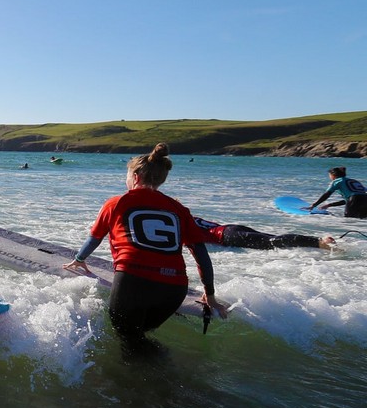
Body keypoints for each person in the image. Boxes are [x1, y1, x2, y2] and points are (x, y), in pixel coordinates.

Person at [63, 143, 225, 349]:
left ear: (136, 177)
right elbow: (200, 253)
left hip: (133, 281)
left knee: (129, 341)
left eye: (127, 175)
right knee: (136, 338)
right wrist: (209, 295)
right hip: (174, 289)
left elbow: (94, 239)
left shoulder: (116, 203)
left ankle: (165, 373)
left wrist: (79, 260)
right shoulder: (179, 209)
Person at [192, 217, 334, 250]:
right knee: (273, 239)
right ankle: (318, 242)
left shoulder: (179, 223)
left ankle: (319, 242)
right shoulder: (188, 217)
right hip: (231, 228)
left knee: (272, 243)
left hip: (226, 236)